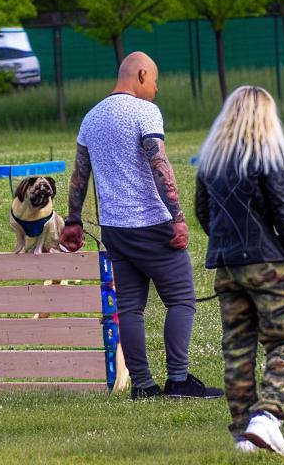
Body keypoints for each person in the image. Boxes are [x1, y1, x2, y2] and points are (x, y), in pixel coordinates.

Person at [60, 51, 222, 400]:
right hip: (152, 223)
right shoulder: (144, 111)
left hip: (115, 230)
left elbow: (79, 176)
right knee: (181, 300)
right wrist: (178, 217)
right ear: (143, 74)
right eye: (155, 81)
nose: (157, 89)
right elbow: (159, 164)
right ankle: (178, 379)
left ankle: (144, 386)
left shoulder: (91, 118)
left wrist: (73, 221)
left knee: (130, 308)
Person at [195, 86, 284, 458]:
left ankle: (243, 435)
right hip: (269, 265)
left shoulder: (210, 159)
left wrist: (228, 244)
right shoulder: (268, 156)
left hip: (227, 266)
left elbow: (204, 213)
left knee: (237, 348)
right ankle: (266, 416)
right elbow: (283, 214)